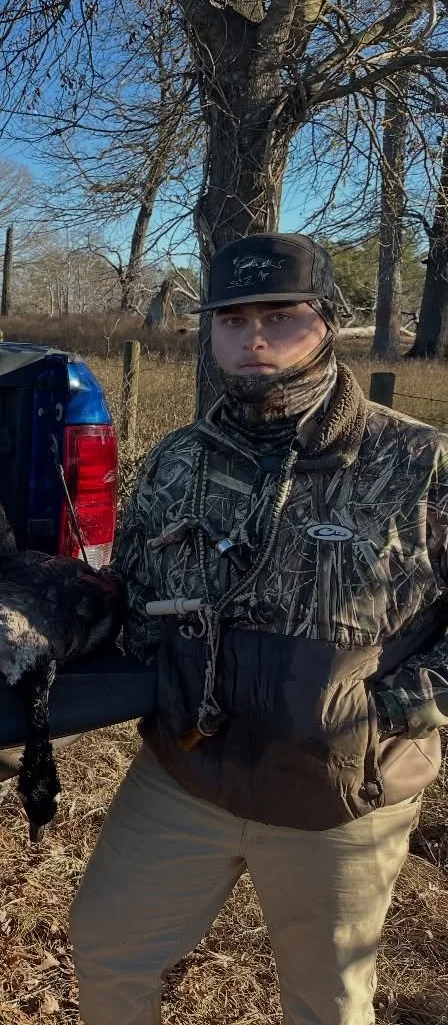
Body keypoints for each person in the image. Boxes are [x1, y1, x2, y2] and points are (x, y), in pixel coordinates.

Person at [71, 232, 448, 1025]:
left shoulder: (417, 462)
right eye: (232, 319)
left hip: (342, 795)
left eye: (279, 315)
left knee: (328, 1004)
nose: (254, 338)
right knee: (106, 945)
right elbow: (132, 594)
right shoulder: (177, 459)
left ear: (329, 322)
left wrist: (397, 706)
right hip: (187, 774)